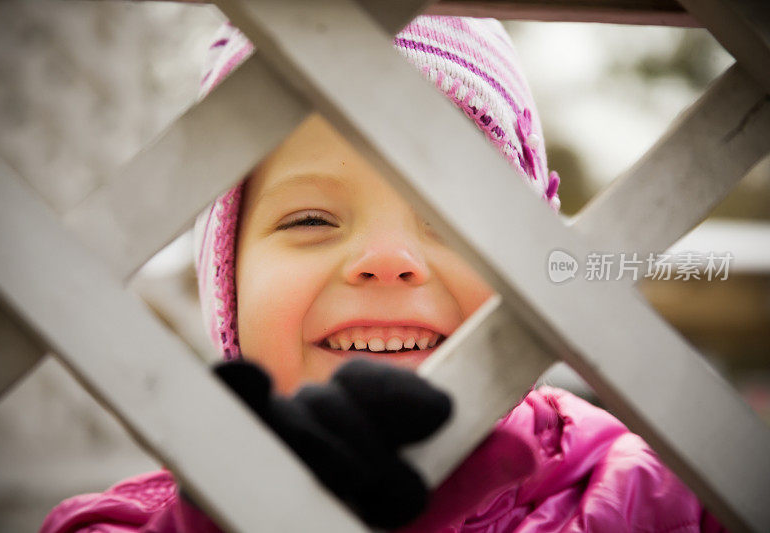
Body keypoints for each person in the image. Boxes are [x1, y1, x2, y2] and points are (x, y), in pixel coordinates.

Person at [40, 15, 726, 532]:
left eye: (460, 220)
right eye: (309, 219)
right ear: (227, 287)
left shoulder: (664, 493)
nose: (388, 261)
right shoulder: (129, 524)